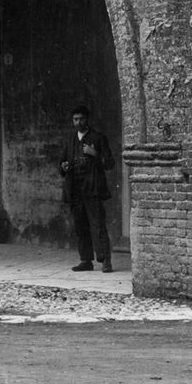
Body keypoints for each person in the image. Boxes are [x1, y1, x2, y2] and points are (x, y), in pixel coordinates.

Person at [60, 104, 114, 273]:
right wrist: (64, 166)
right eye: (75, 119)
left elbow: (110, 163)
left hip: (93, 189)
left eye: (81, 118)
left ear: (87, 119)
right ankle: (86, 260)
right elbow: (61, 165)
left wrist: (95, 154)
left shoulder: (98, 138)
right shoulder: (69, 140)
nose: (78, 122)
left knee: (98, 225)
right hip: (76, 190)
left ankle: (105, 260)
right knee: (80, 226)